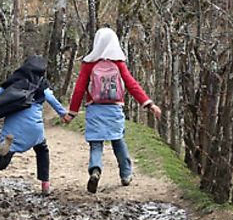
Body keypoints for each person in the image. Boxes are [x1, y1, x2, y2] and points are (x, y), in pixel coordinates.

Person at [64, 27, 162, 193]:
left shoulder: (89, 64)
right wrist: (148, 104)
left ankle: (95, 170)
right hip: (114, 109)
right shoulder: (118, 63)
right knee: (118, 140)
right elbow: (132, 85)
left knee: (96, 144)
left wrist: (72, 112)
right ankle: (125, 174)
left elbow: (79, 89)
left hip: (94, 109)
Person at [0, 55, 69, 195]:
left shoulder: (14, 81)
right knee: (42, 150)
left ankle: (5, 149)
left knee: (0, 165)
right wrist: (64, 114)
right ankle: (45, 184)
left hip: (13, 129)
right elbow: (51, 99)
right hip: (35, 128)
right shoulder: (42, 84)